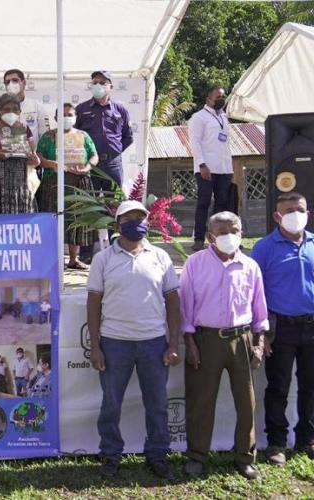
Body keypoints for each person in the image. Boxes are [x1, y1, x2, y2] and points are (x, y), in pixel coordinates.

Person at [87, 200, 181, 480]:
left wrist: (173, 344)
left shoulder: (160, 257)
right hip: (114, 342)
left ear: (148, 222)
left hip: (154, 342)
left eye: (140, 217)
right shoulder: (103, 259)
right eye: (128, 218)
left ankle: (157, 455)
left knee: (158, 404)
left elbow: (173, 301)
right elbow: (94, 303)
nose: (135, 223)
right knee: (111, 404)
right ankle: (110, 454)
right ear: (117, 225)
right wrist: (95, 346)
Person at [180, 211, 268, 480]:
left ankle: (245, 457)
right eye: (222, 232)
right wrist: (190, 342)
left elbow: (259, 309)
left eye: (234, 231)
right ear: (210, 236)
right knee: (201, 400)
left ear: (242, 233)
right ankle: (197, 456)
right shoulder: (195, 264)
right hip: (206, 339)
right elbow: (185, 308)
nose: (229, 236)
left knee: (246, 402)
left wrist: (259, 343)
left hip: (242, 339)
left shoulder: (250, 266)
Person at [251, 192, 314, 465]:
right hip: (281, 328)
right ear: (277, 216)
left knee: (311, 386)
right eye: (289, 211)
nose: (295, 215)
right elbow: (255, 292)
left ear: (308, 213)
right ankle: (276, 442)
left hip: (312, 326)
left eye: (299, 209)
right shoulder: (264, 248)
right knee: (278, 386)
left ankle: (307, 439)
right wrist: (261, 333)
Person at [36, 103, 99, 269]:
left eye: (70, 114)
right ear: (56, 118)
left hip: (79, 182)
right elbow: (38, 158)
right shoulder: (48, 136)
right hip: (53, 182)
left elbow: (94, 156)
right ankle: (55, 260)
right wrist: (52, 164)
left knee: (76, 219)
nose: (66, 118)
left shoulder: (83, 136)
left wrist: (87, 167)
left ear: (76, 117)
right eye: (63, 115)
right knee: (53, 220)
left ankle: (73, 259)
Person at [0, 93, 40, 214]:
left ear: (20, 112)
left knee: (21, 210)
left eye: (15, 109)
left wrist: (35, 161)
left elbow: (32, 154)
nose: (11, 112)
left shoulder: (24, 128)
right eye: (7, 109)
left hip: (21, 176)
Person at [188, 86, 232, 252]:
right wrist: (202, 164)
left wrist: (229, 166)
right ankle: (199, 239)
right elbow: (195, 142)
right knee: (204, 203)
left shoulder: (224, 117)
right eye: (217, 96)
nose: (221, 99)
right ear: (208, 98)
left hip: (224, 168)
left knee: (222, 204)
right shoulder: (199, 117)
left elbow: (225, 143)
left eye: (222, 97)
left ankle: (218, 238)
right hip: (206, 167)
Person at [75, 71, 133, 192]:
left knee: (114, 200)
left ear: (111, 87)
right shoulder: (81, 109)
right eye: (95, 83)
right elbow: (73, 135)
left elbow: (128, 137)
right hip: (89, 164)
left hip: (113, 164)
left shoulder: (120, 110)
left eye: (102, 83)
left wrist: (114, 151)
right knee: (88, 199)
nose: (98, 85)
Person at [2, 69, 51, 141]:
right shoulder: (0, 109)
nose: (11, 84)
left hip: (31, 148)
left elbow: (45, 135)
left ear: (24, 83)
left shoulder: (37, 107)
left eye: (15, 80)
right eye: (7, 82)